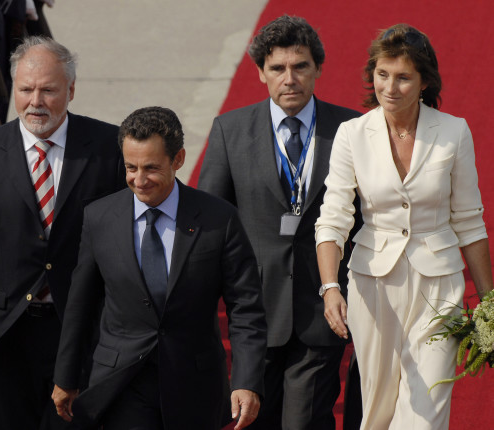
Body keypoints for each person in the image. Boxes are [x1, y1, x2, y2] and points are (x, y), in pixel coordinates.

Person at [0, 36, 125, 430]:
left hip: (82, 330)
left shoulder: (108, 147)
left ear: (71, 90)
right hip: (6, 332)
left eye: (48, 90)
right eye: (25, 89)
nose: (35, 101)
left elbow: (124, 242)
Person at [315, 23, 494, 430]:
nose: (390, 87)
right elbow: (334, 217)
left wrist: (489, 303)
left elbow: (469, 221)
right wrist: (330, 287)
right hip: (371, 283)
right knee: (378, 410)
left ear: (424, 81)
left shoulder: (454, 132)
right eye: (382, 74)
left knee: (426, 410)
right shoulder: (352, 135)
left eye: (403, 77)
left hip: (439, 284)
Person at [52, 106, 267, 430]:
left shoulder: (217, 219)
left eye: (151, 168)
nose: (139, 180)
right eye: (130, 167)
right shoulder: (99, 218)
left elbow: (246, 307)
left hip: (194, 383)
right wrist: (66, 377)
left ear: (178, 160)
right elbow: (80, 304)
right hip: (120, 382)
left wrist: (246, 380)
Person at [198, 15, 361, 429]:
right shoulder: (230, 131)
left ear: (318, 69)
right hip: (254, 313)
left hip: (323, 308)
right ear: (260, 73)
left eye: (300, 66)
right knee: (255, 421)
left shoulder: (351, 130)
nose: (290, 78)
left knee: (305, 421)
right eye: (277, 68)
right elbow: (211, 222)